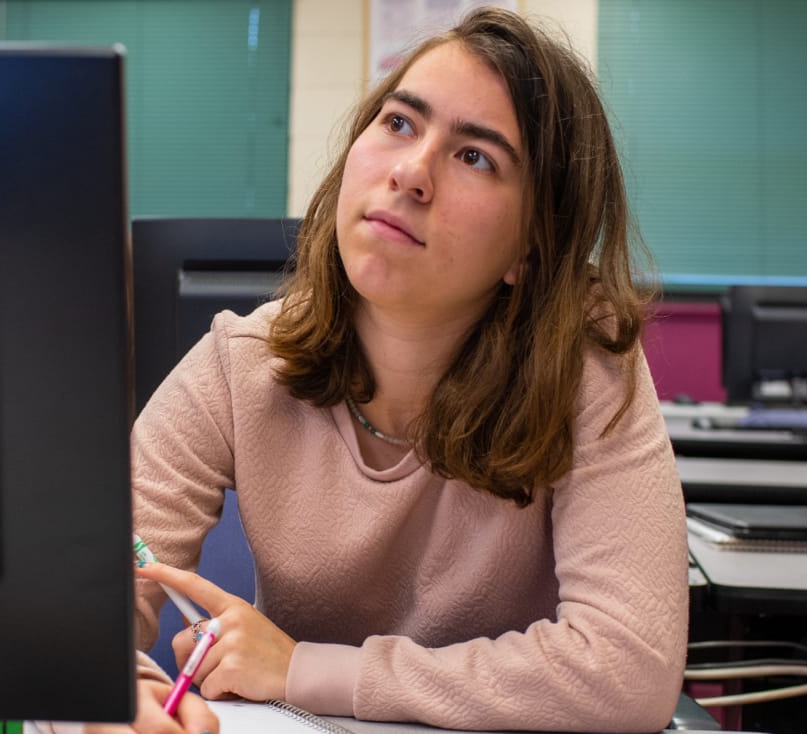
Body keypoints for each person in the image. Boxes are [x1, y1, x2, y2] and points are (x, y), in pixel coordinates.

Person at [115, 7, 687, 733]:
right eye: (399, 123)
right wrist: (116, 684)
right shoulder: (244, 360)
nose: (412, 172)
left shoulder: (586, 369)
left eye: (476, 156)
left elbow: (627, 669)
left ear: (530, 250)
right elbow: (92, 583)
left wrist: (303, 670)